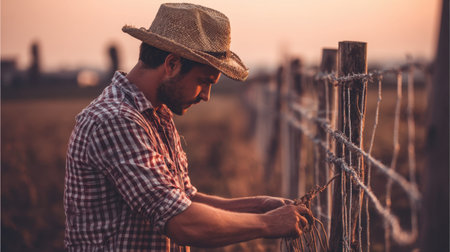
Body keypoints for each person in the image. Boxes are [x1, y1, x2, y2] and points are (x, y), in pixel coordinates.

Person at [64, 3, 312, 251]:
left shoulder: (156, 114)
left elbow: (184, 200)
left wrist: (261, 206)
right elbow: (181, 222)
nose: (206, 96)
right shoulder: (115, 120)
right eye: (203, 82)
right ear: (171, 64)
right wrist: (267, 224)